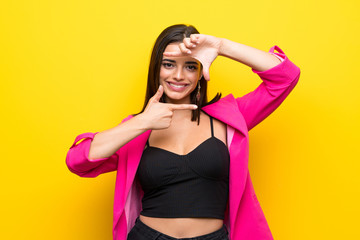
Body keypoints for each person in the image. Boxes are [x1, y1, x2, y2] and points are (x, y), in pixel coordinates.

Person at [66, 24, 300, 240]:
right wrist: (141, 122)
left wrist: (220, 46)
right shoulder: (138, 128)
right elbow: (77, 161)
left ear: (200, 72)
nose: (179, 75)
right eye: (169, 64)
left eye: (190, 66)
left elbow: (285, 76)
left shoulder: (229, 117)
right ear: (156, 69)